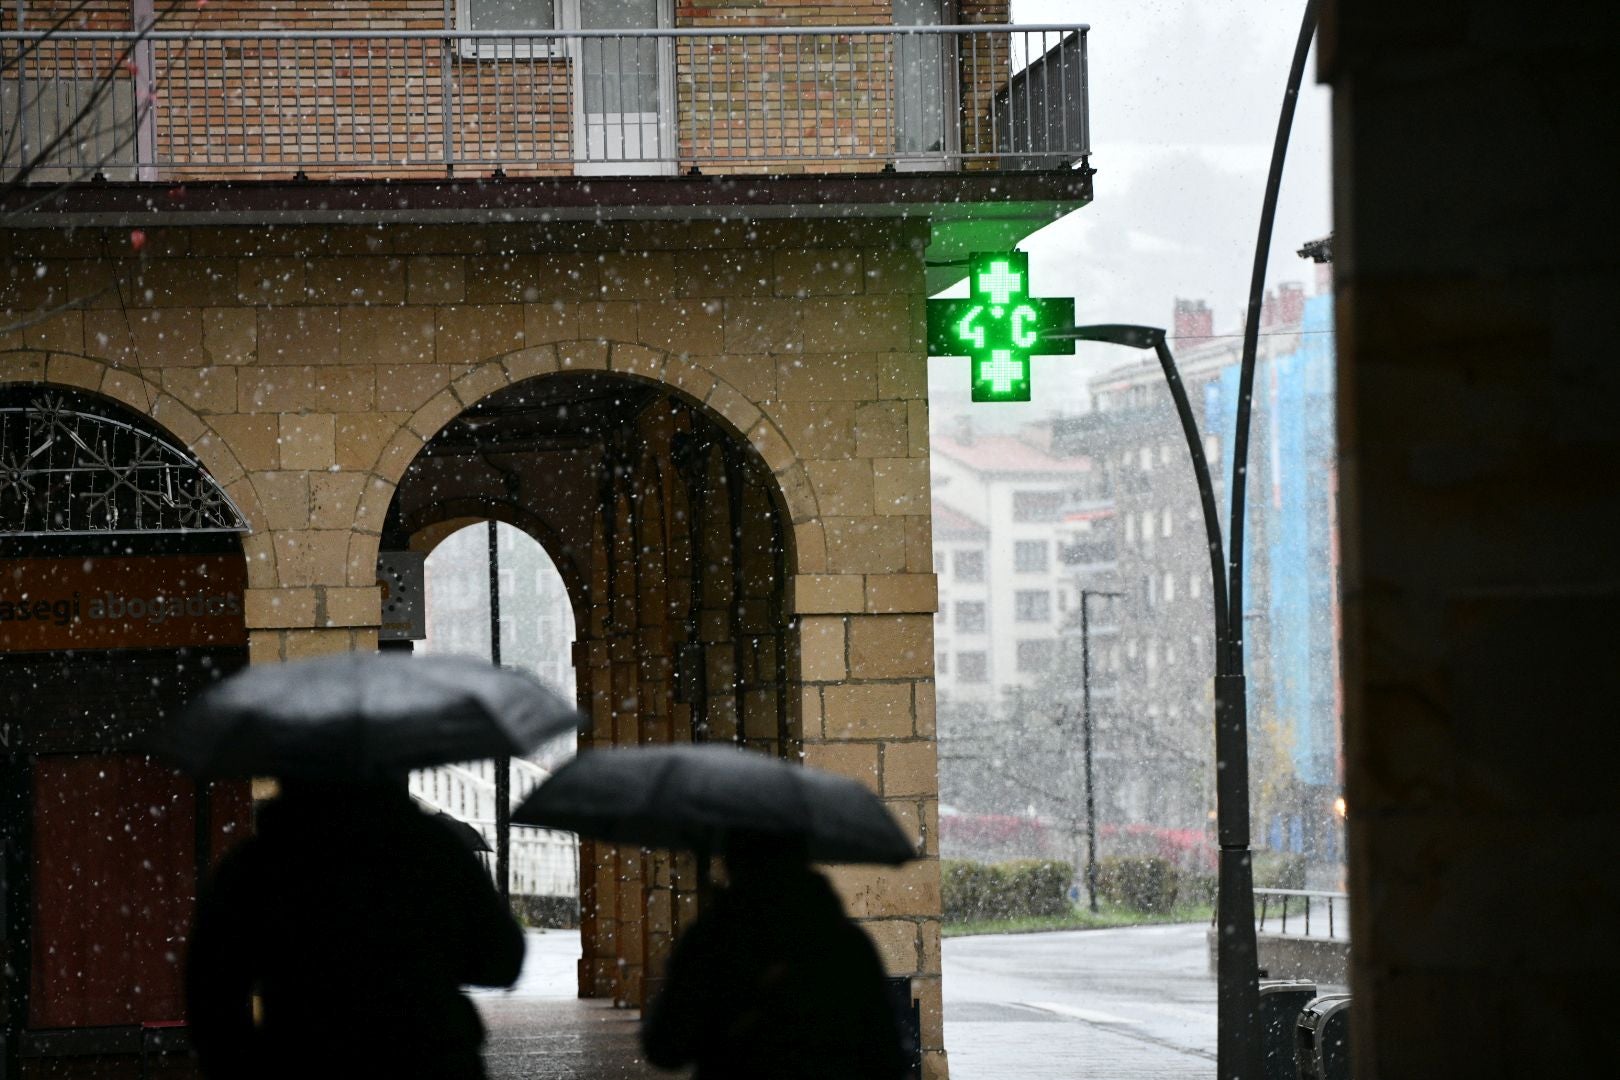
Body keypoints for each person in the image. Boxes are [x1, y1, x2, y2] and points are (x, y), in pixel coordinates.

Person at [186, 778, 524, 1079]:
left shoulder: (257, 864)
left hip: (303, 1057)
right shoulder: (435, 851)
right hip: (429, 1057)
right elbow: (501, 961)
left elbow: (211, 990)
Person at [641, 830, 908, 1080]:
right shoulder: (847, 943)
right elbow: (888, 1058)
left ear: (733, 861)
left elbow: (664, 1048)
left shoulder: (712, 942)